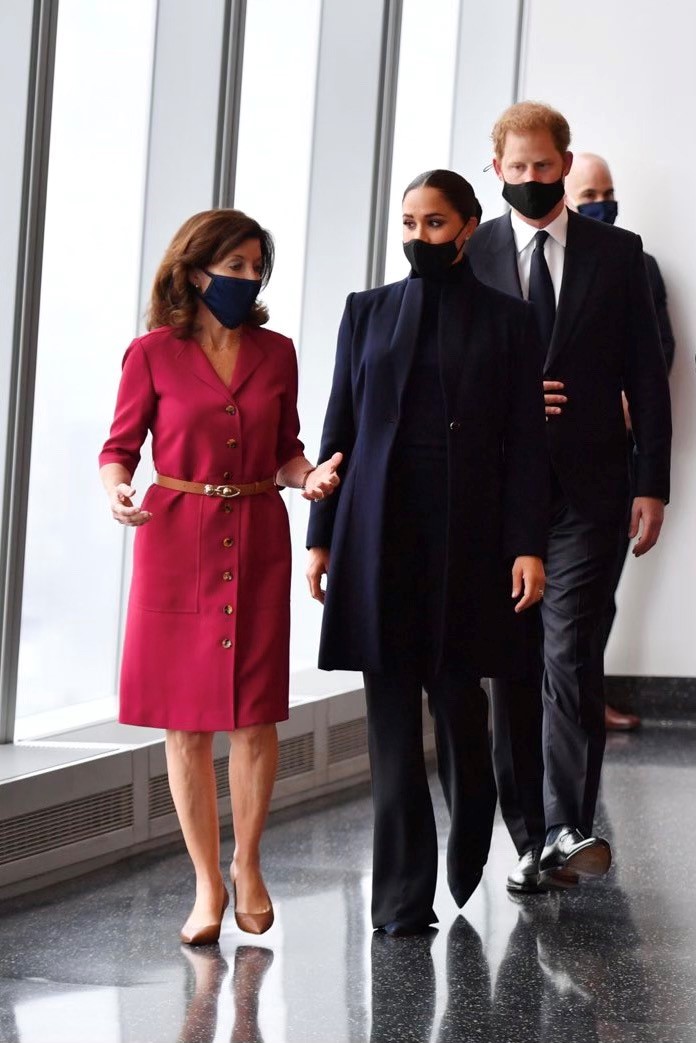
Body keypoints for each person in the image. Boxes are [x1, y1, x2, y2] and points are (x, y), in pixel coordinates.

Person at [306, 170, 549, 935]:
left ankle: (473, 806)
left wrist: (527, 547)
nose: (418, 236)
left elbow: (527, 451)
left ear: (469, 226)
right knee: (390, 724)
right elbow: (338, 430)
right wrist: (321, 538)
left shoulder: (510, 322)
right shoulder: (366, 312)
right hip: (380, 536)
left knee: (457, 701)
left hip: (469, 540)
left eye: (435, 223)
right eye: (408, 222)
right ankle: (401, 903)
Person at [99, 208, 340, 944]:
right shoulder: (149, 354)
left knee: (255, 715)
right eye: (233, 266)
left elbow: (286, 449)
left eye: (255, 267)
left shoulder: (278, 351)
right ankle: (206, 881)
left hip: (259, 533)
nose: (248, 279)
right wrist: (115, 491)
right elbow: (120, 447)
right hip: (176, 539)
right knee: (186, 726)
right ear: (195, 268)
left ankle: (250, 863)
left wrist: (310, 477)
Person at [467, 102, 671, 894]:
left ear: (564, 162)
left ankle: (564, 824)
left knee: (568, 650)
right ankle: (529, 836)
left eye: (542, 167)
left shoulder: (617, 255)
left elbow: (646, 379)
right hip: (495, 496)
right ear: (497, 172)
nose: (529, 180)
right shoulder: (472, 253)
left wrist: (651, 480)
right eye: (514, 169)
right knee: (512, 664)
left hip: (591, 489)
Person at [565, 152, 676, 732]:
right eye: (589, 194)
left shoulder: (637, 262)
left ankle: (585, 698)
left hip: (614, 456)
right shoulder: (526, 261)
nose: (601, 204)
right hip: (545, 459)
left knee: (598, 590)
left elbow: (659, 350)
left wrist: (630, 399)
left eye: (606, 191)